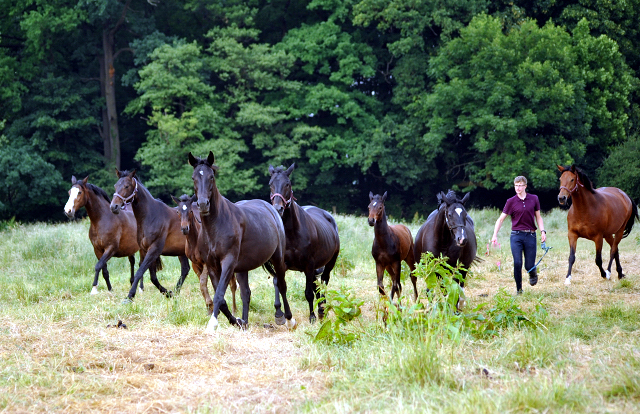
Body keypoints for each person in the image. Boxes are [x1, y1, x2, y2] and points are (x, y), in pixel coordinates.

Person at [491, 176, 546, 294]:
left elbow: (538, 217)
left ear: (525, 186)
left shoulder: (534, 199)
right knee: (517, 262)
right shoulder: (511, 201)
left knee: (529, 265)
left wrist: (542, 231)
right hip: (516, 236)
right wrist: (494, 235)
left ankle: (532, 272)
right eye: (516, 185)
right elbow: (501, 219)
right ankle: (519, 290)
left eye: (520, 185)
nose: (518, 188)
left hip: (530, 235)